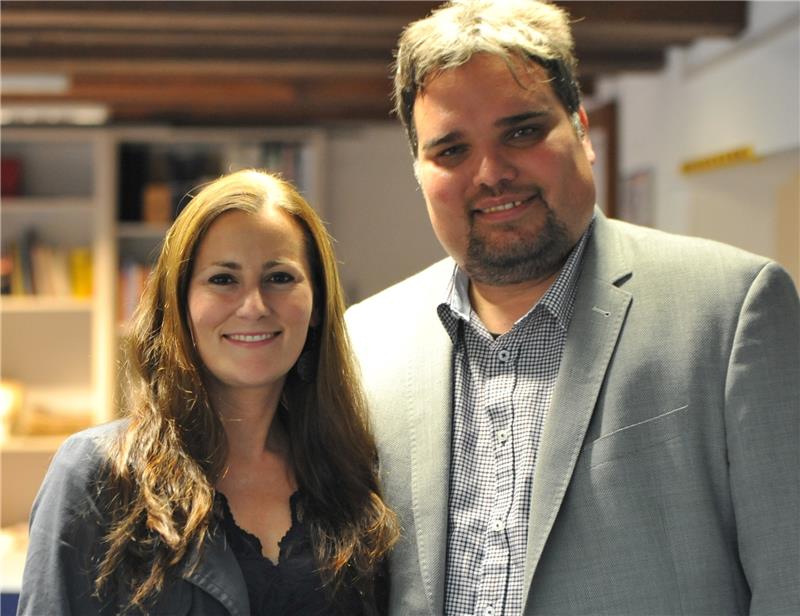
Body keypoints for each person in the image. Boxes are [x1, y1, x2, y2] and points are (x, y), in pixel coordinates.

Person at [344, 1, 800, 614]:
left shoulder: (731, 310)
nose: (490, 172)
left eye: (522, 131)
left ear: (581, 130)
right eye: (451, 151)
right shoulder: (364, 340)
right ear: (419, 172)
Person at [18, 169, 398, 615]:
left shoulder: (353, 477)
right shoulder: (98, 477)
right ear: (180, 303)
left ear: (316, 305)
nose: (254, 306)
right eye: (223, 279)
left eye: (279, 277)